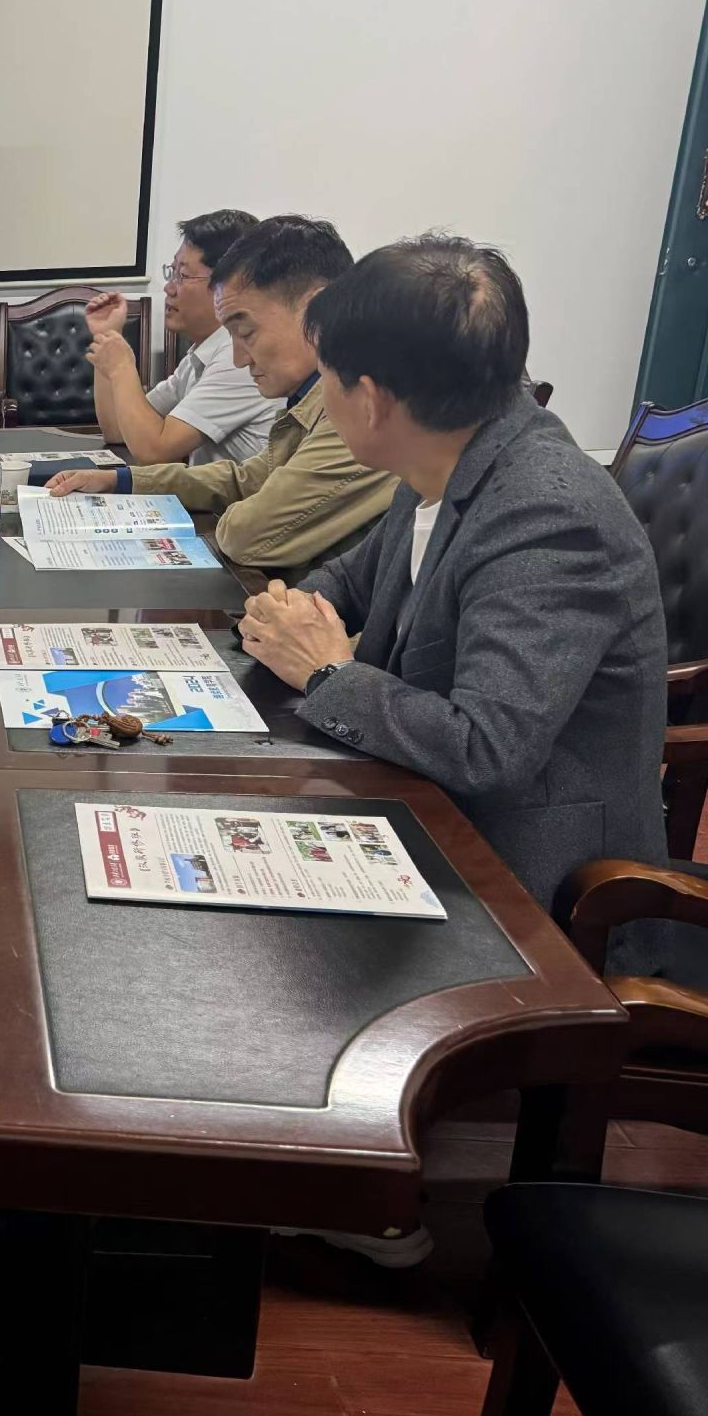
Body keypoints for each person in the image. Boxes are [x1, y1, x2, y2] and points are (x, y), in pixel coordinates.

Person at [241, 234, 667, 947]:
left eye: (328, 378)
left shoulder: (548, 514)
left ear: (371, 401)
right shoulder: (448, 453)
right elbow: (348, 580)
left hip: (533, 887)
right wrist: (286, 613)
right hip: (425, 805)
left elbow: (487, 749)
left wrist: (326, 671)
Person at [50, 216, 396, 579]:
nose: (239, 359)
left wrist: (241, 509)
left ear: (318, 311)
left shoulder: (361, 409)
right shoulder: (309, 396)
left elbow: (246, 535)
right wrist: (123, 481)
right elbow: (247, 479)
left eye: (246, 333)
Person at [85, 208, 280, 465]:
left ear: (229, 283)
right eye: (172, 272)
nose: (169, 288)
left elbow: (154, 450)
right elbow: (118, 432)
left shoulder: (239, 360)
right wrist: (108, 336)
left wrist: (122, 367)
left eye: (183, 275)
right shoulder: (201, 355)